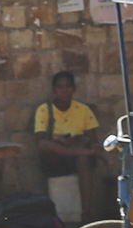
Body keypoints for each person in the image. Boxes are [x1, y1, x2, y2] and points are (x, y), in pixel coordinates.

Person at [34, 71, 102, 218]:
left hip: (77, 158)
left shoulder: (83, 110)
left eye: (68, 87)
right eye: (60, 87)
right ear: (54, 90)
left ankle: (86, 213)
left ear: (73, 88)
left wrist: (80, 142)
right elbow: (40, 142)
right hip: (54, 160)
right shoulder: (44, 110)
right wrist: (59, 143)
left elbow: (94, 141)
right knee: (45, 145)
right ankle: (81, 153)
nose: (64, 91)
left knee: (84, 158)